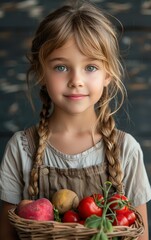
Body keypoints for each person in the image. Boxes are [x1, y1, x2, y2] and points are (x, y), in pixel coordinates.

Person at [0, 1, 151, 239]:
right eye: (61, 67)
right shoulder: (20, 149)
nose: (76, 80)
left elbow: (140, 235)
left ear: (108, 74)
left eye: (90, 67)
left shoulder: (126, 151)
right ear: (41, 72)